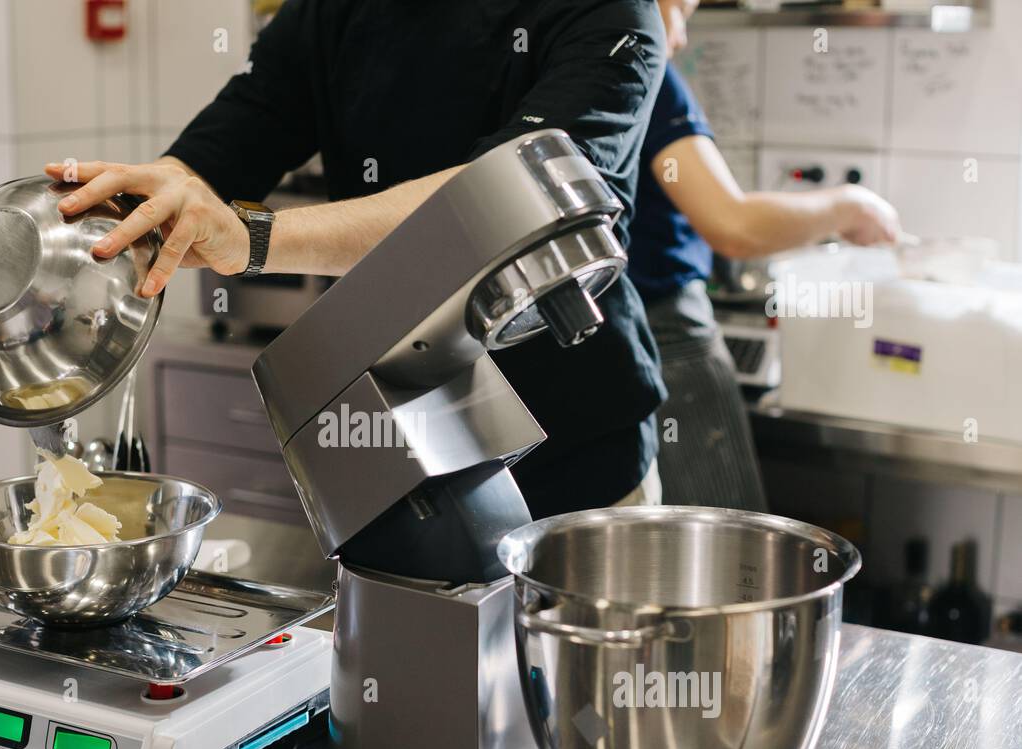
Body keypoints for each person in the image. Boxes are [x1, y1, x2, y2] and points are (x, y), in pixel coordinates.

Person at [45, 0, 670, 516]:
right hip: (392, 431)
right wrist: (142, 204)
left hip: (576, 445)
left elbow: (507, 192)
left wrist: (254, 238)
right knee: (404, 659)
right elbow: (235, 135)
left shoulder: (612, 15)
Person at [633, 0, 900, 510]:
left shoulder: (546, 67)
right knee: (726, 573)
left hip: (579, 343)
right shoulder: (646, 74)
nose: (683, 36)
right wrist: (849, 205)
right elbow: (734, 228)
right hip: (667, 345)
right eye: (681, 8)